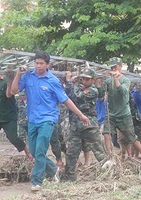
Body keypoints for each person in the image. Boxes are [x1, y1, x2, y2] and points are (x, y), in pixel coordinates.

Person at [11, 51, 90, 192]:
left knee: (40, 150)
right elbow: (13, 90)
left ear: (48, 65)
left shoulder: (53, 81)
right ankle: (53, 170)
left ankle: (37, 181)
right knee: (35, 153)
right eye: (36, 63)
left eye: (41, 63)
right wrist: (18, 74)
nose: (38, 66)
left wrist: (80, 115)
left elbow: (65, 100)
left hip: (48, 119)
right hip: (32, 120)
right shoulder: (28, 77)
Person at [97, 57, 141, 164]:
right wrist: (99, 84)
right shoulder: (108, 81)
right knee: (106, 134)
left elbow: (123, 92)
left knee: (131, 138)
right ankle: (110, 156)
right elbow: (100, 95)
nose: (113, 68)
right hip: (111, 114)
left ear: (120, 67)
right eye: (112, 67)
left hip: (123, 114)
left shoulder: (126, 80)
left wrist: (116, 79)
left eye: (115, 66)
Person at [64, 69, 106, 181]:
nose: (84, 80)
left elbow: (76, 96)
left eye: (87, 79)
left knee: (98, 150)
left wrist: (70, 82)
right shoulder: (81, 88)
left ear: (93, 80)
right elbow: (67, 95)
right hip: (75, 125)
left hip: (88, 125)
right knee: (72, 152)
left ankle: (109, 172)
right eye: (82, 78)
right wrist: (71, 83)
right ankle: (70, 177)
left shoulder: (92, 90)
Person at [0, 71, 33, 167]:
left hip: (8, 115)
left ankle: (28, 152)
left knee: (13, 138)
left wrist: (10, 79)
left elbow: (9, 94)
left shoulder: (7, 79)